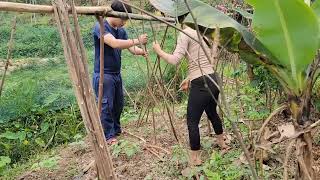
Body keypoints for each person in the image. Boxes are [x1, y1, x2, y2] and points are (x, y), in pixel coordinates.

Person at [152, 15, 229, 165]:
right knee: (212, 113)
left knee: (192, 121)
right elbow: (205, 61)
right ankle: (222, 143)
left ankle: (196, 158)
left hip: (201, 83)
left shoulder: (185, 33)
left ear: (181, 21)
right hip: (214, 79)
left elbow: (174, 60)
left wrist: (159, 50)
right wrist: (190, 77)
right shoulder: (203, 33)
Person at [92, 0, 148, 145]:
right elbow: (114, 43)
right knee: (106, 105)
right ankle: (108, 135)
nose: (124, 23)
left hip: (116, 74)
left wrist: (141, 51)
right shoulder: (101, 26)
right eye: (123, 19)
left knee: (118, 104)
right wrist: (137, 40)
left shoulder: (121, 31)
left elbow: (130, 48)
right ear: (115, 15)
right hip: (104, 74)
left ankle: (116, 129)